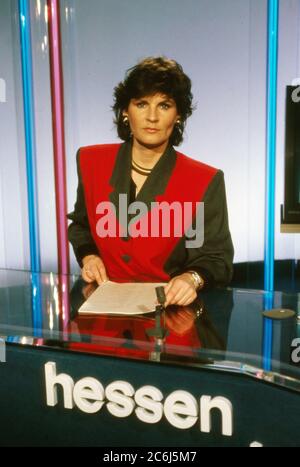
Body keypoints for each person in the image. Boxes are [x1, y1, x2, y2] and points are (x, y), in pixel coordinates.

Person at [67, 56, 234, 307]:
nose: (152, 117)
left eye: (164, 105)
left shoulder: (204, 180)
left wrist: (192, 278)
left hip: (169, 315)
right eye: (142, 104)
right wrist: (89, 256)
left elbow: (216, 258)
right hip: (103, 311)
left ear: (178, 115)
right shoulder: (90, 161)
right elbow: (82, 226)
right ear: (126, 111)